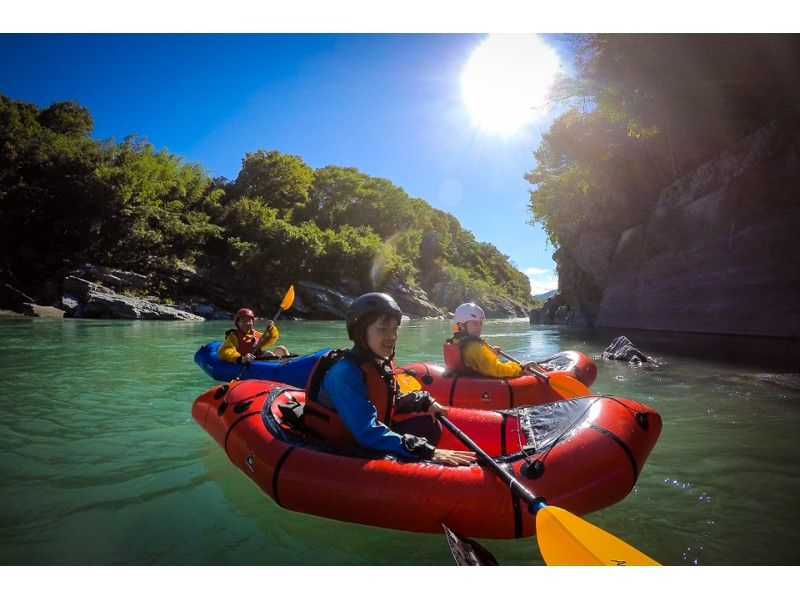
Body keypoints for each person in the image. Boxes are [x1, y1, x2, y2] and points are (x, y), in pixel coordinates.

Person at [303, 292, 476, 466]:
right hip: (342, 450)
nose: (391, 336)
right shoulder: (344, 373)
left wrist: (423, 401)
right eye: (382, 329)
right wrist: (424, 450)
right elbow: (366, 431)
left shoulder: (380, 363)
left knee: (428, 425)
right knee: (417, 447)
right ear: (360, 332)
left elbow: (391, 400)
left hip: (366, 439)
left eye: (394, 329)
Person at [444, 302, 538, 377]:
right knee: (532, 364)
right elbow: (496, 369)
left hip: (466, 378)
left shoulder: (456, 340)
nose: (479, 327)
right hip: (483, 384)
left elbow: (475, 361)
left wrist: (491, 353)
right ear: (461, 325)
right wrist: (520, 367)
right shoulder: (474, 347)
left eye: (480, 323)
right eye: (474, 323)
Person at [217, 307, 289, 364]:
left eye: (249, 321)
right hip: (248, 362)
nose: (247, 323)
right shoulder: (234, 337)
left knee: (281, 348)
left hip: (258, 360)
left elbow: (270, 339)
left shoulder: (255, 334)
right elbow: (225, 351)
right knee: (268, 354)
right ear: (237, 323)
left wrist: (271, 329)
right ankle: (283, 371)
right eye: (244, 321)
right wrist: (240, 358)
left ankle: (290, 367)